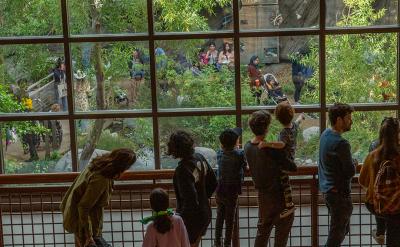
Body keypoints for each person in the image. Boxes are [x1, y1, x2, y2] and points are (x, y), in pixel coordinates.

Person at [60, 148, 137, 247]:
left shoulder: (96, 166)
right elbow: (84, 207)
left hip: (79, 219)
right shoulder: (101, 179)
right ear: (121, 166)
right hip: (84, 225)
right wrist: (89, 236)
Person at [244, 110, 297, 247]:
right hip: (280, 198)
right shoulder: (271, 150)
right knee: (281, 237)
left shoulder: (248, 147)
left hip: (263, 198)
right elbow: (292, 167)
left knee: (262, 234)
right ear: (266, 128)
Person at [167, 131, 217, 247]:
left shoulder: (182, 170)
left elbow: (190, 201)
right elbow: (213, 182)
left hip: (190, 220)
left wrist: (177, 219)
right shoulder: (199, 158)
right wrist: (203, 197)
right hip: (204, 213)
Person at [318, 103, 357, 247]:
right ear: (339, 120)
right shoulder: (342, 143)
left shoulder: (325, 135)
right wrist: (354, 163)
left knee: (340, 229)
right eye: (348, 118)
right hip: (339, 195)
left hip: (328, 191)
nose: (351, 121)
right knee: (336, 235)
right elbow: (350, 171)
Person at [259, 102, 305, 219]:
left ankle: (289, 205)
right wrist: (301, 117)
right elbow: (298, 122)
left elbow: (281, 144)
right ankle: (288, 204)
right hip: (291, 158)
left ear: (278, 119)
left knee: (284, 182)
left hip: (284, 161)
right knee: (285, 181)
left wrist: (268, 144)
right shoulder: (293, 126)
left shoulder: (284, 132)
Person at [359, 117, 400, 246]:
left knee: (389, 219)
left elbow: (362, 181)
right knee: (395, 230)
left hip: (375, 204)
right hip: (398, 205)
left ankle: (380, 232)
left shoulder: (372, 156)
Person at [214, 127, 247, 247]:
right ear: (236, 142)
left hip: (220, 190)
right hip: (232, 192)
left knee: (219, 217)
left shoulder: (219, 154)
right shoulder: (240, 154)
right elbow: (244, 166)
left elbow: (224, 152)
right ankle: (227, 244)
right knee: (229, 220)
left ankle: (217, 242)